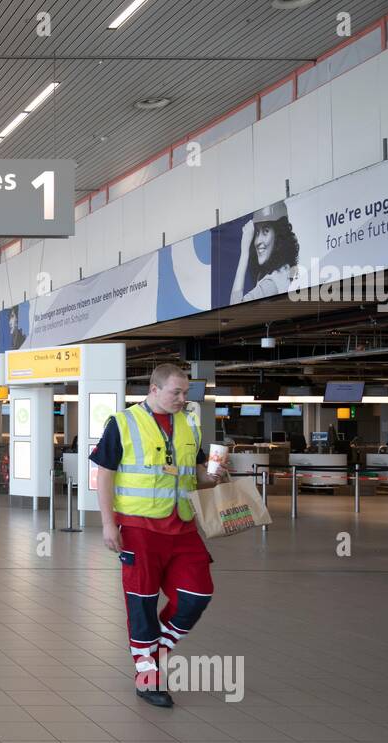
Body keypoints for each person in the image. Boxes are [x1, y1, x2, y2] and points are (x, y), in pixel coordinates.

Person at [91, 363, 230, 708]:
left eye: (186, 393)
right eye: (176, 393)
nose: (183, 399)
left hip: (182, 527)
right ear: (154, 390)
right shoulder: (123, 423)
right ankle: (147, 673)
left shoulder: (189, 425)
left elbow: (194, 475)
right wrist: (108, 523)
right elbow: (104, 474)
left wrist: (213, 476)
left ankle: (156, 649)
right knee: (142, 601)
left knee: (197, 594)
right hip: (139, 529)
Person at [230, 202, 300, 304]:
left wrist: (244, 252)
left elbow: (234, 309)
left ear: (279, 236)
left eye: (266, 231)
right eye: (257, 232)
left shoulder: (270, 284)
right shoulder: (284, 271)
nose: (258, 241)